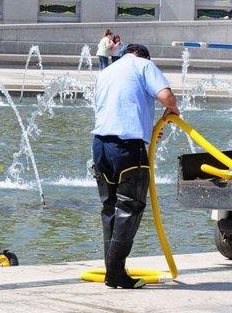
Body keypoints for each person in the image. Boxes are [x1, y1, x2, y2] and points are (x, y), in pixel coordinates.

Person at [91, 44, 180, 289]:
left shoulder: (108, 70)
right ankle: (116, 271)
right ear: (144, 56)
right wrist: (173, 110)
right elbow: (165, 96)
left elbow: (115, 107)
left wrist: (148, 130)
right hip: (128, 147)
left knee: (109, 207)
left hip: (100, 144)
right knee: (129, 207)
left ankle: (113, 269)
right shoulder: (144, 65)